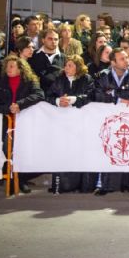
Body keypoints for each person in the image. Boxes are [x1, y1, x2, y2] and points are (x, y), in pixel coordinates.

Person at [0, 55, 44, 193]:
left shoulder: (30, 81)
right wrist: (8, 108)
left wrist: (20, 104)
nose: (8, 69)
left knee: (23, 150)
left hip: (25, 123)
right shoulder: (0, 83)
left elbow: (39, 95)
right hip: (5, 123)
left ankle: (21, 179)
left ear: (21, 68)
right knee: (8, 149)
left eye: (12, 66)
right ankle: (12, 179)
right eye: (7, 66)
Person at [92, 48, 129, 195]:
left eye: (127, 57)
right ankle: (106, 185)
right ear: (113, 62)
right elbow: (98, 95)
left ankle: (127, 184)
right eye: (122, 58)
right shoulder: (102, 75)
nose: (127, 60)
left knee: (126, 148)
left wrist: (113, 92)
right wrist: (119, 98)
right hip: (108, 120)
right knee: (110, 149)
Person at [45, 55, 95, 193]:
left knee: (81, 152)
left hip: (82, 124)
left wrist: (74, 99)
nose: (66, 68)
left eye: (70, 65)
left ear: (78, 67)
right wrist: (57, 101)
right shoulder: (59, 79)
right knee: (64, 152)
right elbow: (47, 95)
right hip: (63, 125)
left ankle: (83, 186)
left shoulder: (87, 79)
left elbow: (92, 96)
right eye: (66, 65)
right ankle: (64, 186)